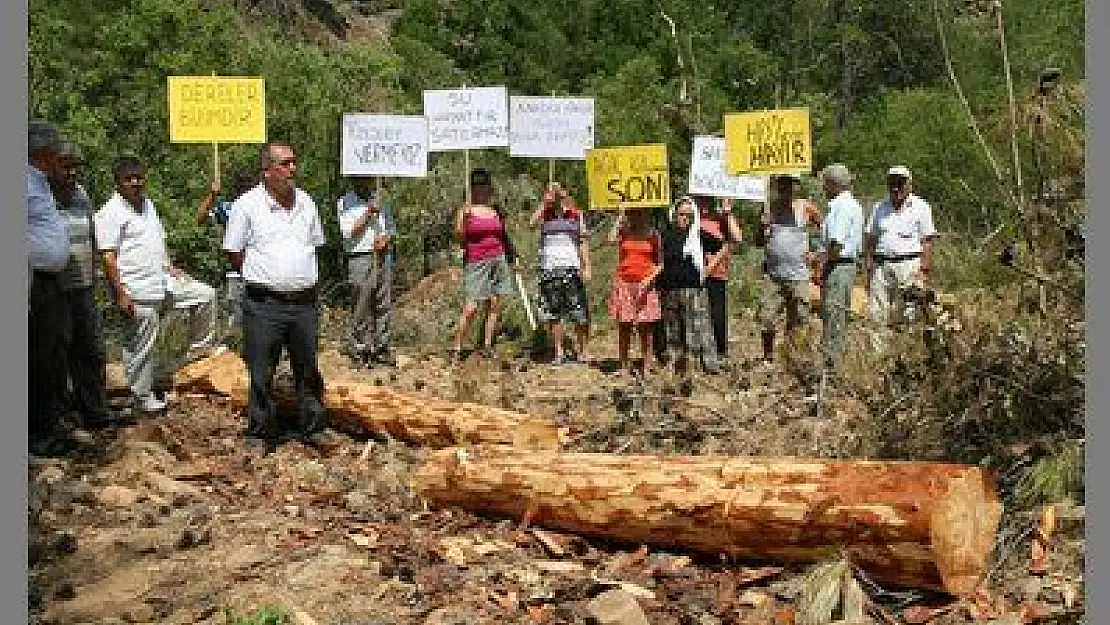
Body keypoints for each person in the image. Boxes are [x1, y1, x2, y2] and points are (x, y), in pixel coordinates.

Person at [223, 142, 330, 449]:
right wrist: (263, 277)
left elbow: (314, 245)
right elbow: (234, 251)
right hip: (264, 304)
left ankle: (313, 426)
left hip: (304, 304)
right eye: (284, 164)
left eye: (294, 162)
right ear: (267, 171)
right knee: (261, 370)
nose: (292, 169)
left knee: (307, 368)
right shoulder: (246, 205)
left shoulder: (306, 203)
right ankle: (260, 431)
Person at [96, 156, 219, 413]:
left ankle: (198, 353)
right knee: (140, 344)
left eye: (139, 177)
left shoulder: (148, 205)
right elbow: (108, 257)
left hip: (162, 280)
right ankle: (141, 397)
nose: (135, 183)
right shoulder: (109, 214)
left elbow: (158, 239)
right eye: (129, 179)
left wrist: (169, 265)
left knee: (204, 295)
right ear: (118, 183)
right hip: (136, 289)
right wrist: (120, 294)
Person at [49, 139, 113, 429]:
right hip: (53, 289)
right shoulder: (39, 200)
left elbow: (93, 237)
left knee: (90, 351)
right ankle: (58, 416)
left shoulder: (82, 196)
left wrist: (98, 274)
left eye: (75, 167)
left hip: (84, 286)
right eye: (65, 166)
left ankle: (94, 411)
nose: (72, 172)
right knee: (55, 356)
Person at [27, 120, 72, 449]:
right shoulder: (23, 182)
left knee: (53, 353)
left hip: (50, 282)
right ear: (42, 151)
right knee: (37, 358)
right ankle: (37, 433)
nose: (60, 155)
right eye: (55, 149)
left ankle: (50, 422)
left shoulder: (42, 182)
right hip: (33, 282)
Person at [862, 166, 938, 349]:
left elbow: (927, 241)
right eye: (892, 183)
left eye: (900, 183)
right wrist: (868, 266)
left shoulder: (921, 207)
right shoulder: (879, 207)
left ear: (909, 184)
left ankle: (906, 354)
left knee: (909, 313)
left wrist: (923, 272)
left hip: (909, 265)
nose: (896, 188)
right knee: (877, 312)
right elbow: (870, 238)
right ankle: (877, 357)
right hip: (882, 265)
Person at [754, 174, 822, 365]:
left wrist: (817, 253)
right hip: (773, 275)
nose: (786, 190)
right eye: (782, 185)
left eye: (789, 185)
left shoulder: (805, 208)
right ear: (777, 187)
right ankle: (768, 357)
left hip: (799, 275)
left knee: (799, 318)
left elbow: (825, 229)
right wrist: (762, 226)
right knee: (767, 317)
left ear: (795, 188)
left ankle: (795, 357)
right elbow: (757, 242)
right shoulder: (769, 208)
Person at [451, 169, 516, 361]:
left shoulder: (495, 210)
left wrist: (513, 257)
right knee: (471, 307)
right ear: (471, 189)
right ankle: (457, 348)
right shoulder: (465, 210)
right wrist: (463, 220)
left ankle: (487, 344)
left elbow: (503, 236)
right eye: (477, 187)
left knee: (495, 304)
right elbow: (459, 239)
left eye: (484, 186)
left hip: (498, 257)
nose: (481, 190)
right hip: (476, 260)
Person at [529, 183, 592, 365]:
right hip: (550, 268)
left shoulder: (575, 214)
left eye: (556, 191)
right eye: (549, 191)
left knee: (579, 312)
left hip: (572, 267)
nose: (553, 194)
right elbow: (531, 224)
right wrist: (544, 204)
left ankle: (583, 351)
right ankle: (559, 352)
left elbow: (583, 241)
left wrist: (586, 266)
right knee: (554, 314)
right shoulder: (545, 214)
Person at [338, 177, 397, 366]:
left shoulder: (380, 199)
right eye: (361, 178)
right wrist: (368, 213)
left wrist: (386, 238)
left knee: (383, 302)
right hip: (360, 256)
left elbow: (391, 228)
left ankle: (382, 347)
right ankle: (360, 347)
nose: (365, 181)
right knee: (361, 303)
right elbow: (349, 232)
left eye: (368, 178)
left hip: (382, 255)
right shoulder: (345, 202)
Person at [659, 196, 718, 375]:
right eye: (681, 214)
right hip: (670, 290)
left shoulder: (698, 235)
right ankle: (676, 365)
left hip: (694, 289)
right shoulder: (665, 235)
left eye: (689, 215)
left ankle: (706, 365)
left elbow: (725, 245)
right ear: (674, 214)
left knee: (699, 328)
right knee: (673, 330)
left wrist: (709, 268)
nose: (684, 218)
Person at [196, 170, 259, 331]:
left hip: (262, 272)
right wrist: (212, 195)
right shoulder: (229, 209)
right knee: (238, 320)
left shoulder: (264, 210)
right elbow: (200, 219)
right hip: (237, 272)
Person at [816, 164, 864, 373]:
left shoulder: (842, 207)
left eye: (825, 184)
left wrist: (822, 261)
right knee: (833, 314)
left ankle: (831, 368)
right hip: (840, 265)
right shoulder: (845, 205)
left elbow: (837, 243)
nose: (823, 188)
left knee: (834, 314)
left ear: (832, 184)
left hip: (839, 266)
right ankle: (832, 364)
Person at [606, 207, 663, 375]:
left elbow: (660, 263)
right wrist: (619, 216)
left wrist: (650, 278)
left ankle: (646, 365)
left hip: (645, 285)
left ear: (646, 213)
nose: (636, 216)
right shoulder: (623, 232)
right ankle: (623, 365)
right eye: (632, 212)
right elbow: (609, 240)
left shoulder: (653, 235)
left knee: (645, 328)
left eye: (639, 212)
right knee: (624, 326)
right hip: (624, 283)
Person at [696, 195, 743, 363]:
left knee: (717, 314)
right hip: (693, 274)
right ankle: (699, 353)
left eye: (707, 198)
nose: (704, 202)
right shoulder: (690, 217)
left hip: (717, 273)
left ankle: (720, 353)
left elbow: (737, 238)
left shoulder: (721, 217)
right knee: (697, 315)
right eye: (700, 198)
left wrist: (728, 213)